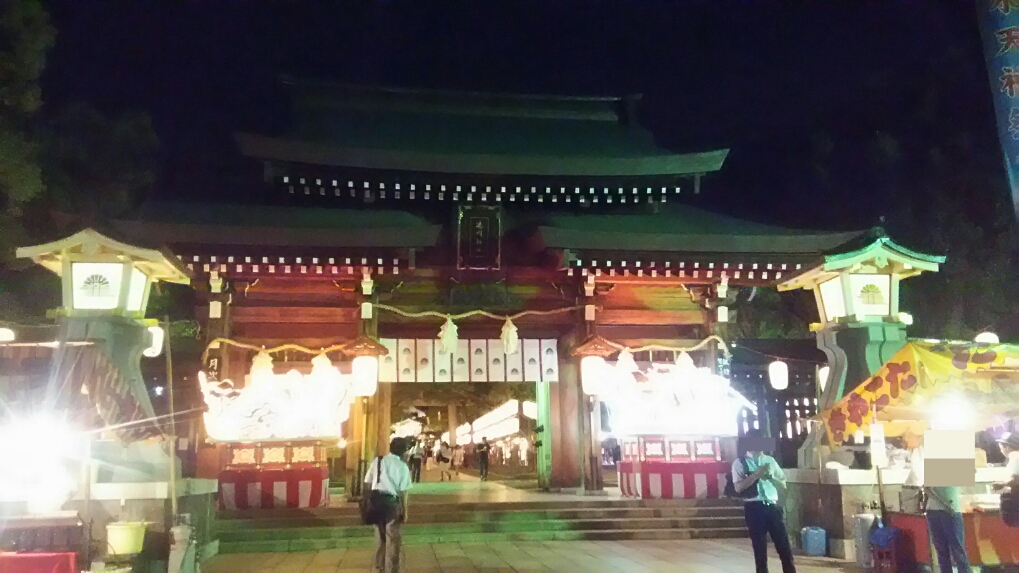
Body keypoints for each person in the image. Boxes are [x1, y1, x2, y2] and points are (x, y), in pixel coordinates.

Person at [731, 431, 796, 573]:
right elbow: (738, 488)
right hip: (754, 507)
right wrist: (755, 475)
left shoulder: (770, 461)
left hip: (773, 506)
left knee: (784, 546)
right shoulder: (740, 462)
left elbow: (783, 484)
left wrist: (771, 476)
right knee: (760, 548)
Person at [363, 437, 412, 573]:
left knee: (380, 537)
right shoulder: (403, 467)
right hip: (392, 504)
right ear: (403, 451)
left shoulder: (378, 461)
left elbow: (367, 480)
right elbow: (403, 492)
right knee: (393, 540)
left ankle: (379, 567)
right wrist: (405, 511)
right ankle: (392, 569)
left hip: (376, 502)